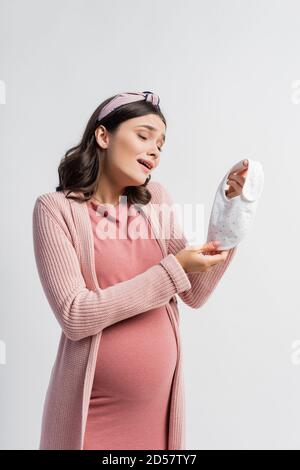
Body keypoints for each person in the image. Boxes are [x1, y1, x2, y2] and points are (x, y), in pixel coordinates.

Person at [32, 91, 241, 450]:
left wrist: (231, 213)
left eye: (160, 144)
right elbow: (75, 314)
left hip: (156, 417)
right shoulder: (56, 210)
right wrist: (171, 269)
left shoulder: (155, 200)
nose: (156, 150)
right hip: (91, 418)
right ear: (103, 136)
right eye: (144, 135)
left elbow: (193, 290)